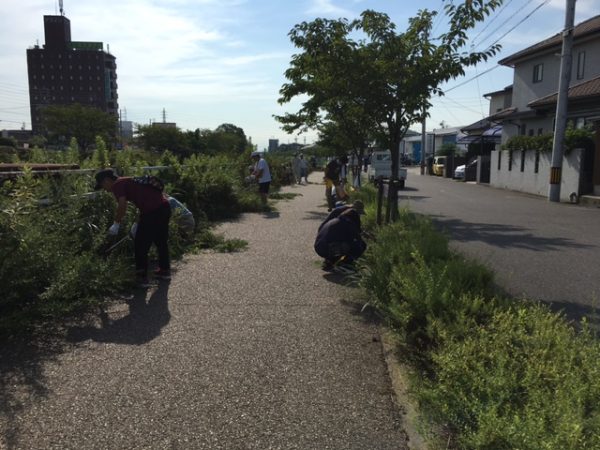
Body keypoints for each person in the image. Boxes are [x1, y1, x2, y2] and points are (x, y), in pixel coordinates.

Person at [95, 169, 171, 287]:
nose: (104, 189)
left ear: (107, 180)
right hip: (164, 207)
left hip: (152, 212)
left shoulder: (117, 185)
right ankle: (165, 271)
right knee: (161, 241)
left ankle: (141, 278)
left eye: (102, 185)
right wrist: (138, 221)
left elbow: (122, 204)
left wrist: (116, 223)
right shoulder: (128, 180)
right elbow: (142, 200)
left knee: (140, 245)